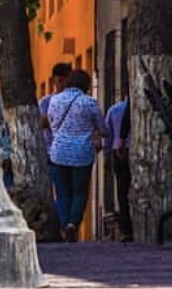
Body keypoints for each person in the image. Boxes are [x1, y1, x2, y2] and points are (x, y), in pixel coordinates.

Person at [47, 69, 108, 242]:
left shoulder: (55, 100)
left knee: (62, 193)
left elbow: (52, 126)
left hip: (58, 153)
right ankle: (73, 224)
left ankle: (64, 224)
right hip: (81, 154)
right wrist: (103, 134)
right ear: (86, 85)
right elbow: (102, 128)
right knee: (79, 192)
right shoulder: (89, 102)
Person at [105, 94, 133, 242]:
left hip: (120, 154)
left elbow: (107, 137)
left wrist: (106, 156)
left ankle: (127, 229)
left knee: (122, 192)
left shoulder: (114, 110)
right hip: (133, 149)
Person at [39, 61, 73, 152]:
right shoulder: (45, 102)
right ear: (54, 80)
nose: (64, 84)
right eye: (61, 81)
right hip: (50, 150)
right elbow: (41, 122)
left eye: (67, 81)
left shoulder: (76, 101)